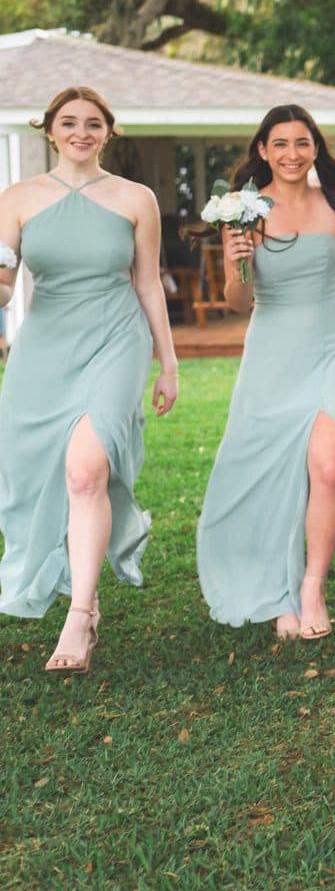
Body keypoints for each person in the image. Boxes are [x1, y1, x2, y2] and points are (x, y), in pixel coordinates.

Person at [0, 86, 178, 673]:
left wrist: (168, 361)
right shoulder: (17, 198)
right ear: (49, 130)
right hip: (44, 348)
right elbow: (5, 284)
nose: (82, 131)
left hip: (116, 340)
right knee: (49, 476)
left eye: (93, 123)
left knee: (86, 471)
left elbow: (148, 283)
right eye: (70, 122)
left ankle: (79, 617)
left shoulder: (137, 198)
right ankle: (83, 587)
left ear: (108, 131)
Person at [197, 104, 335, 639]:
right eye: (279, 143)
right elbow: (239, 302)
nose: (291, 153)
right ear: (263, 150)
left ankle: (312, 584)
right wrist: (237, 257)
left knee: (329, 464)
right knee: (275, 468)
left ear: (315, 148)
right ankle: (277, 588)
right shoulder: (244, 211)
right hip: (273, 349)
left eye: (301, 142)